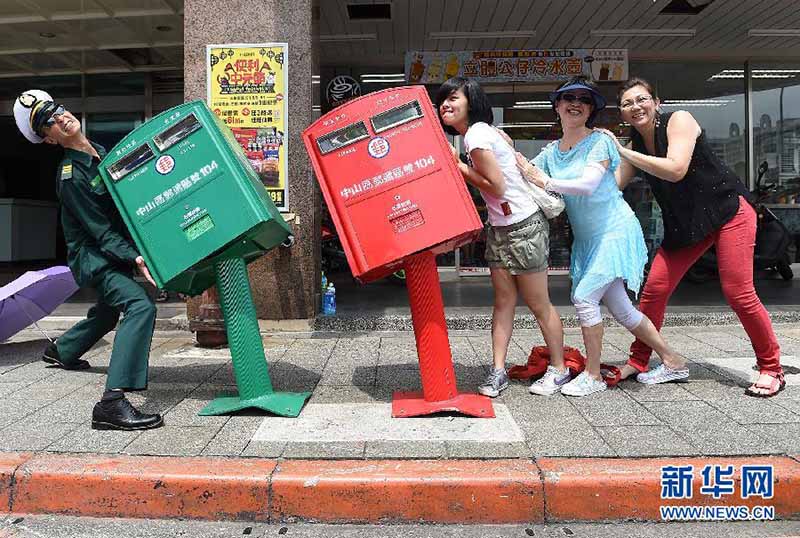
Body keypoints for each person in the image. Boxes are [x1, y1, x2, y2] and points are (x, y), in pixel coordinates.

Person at [598, 77, 784, 397]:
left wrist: (621, 151)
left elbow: (676, 168)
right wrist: (559, 179)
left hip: (728, 211)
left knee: (738, 292)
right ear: (622, 113)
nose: (635, 107)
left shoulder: (679, 120)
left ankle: (771, 368)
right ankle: (639, 360)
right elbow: (610, 186)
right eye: (627, 104)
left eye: (642, 99)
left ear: (656, 103)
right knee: (654, 290)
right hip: (687, 226)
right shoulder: (635, 146)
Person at [517, 76, 684, 397]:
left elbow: (587, 185)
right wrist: (497, 149)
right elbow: (522, 171)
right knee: (623, 311)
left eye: (584, 99)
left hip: (615, 232)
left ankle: (592, 375)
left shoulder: (600, 141)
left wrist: (544, 181)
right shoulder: (551, 152)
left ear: (591, 109)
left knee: (584, 299)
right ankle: (673, 360)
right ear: (557, 105)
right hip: (587, 241)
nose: (576, 103)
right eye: (569, 98)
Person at [13, 90, 164, 429]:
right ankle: (111, 403)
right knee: (139, 305)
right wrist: (136, 258)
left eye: (57, 110)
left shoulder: (101, 152)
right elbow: (100, 232)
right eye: (49, 122)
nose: (60, 118)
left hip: (112, 251)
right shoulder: (71, 177)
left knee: (108, 313)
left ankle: (62, 350)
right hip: (94, 258)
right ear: (49, 139)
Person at [435, 77, 568, 397]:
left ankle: (559, 369)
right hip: (502, 227)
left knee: (538, 303)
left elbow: (496, 186)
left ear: (471, 102)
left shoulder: (477, 135)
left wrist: (457, 166)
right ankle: (498, 371)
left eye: (453, 98)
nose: (445, 105)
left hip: (522, 226)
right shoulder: (482, 133)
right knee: (504, 302)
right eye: (442, 100)